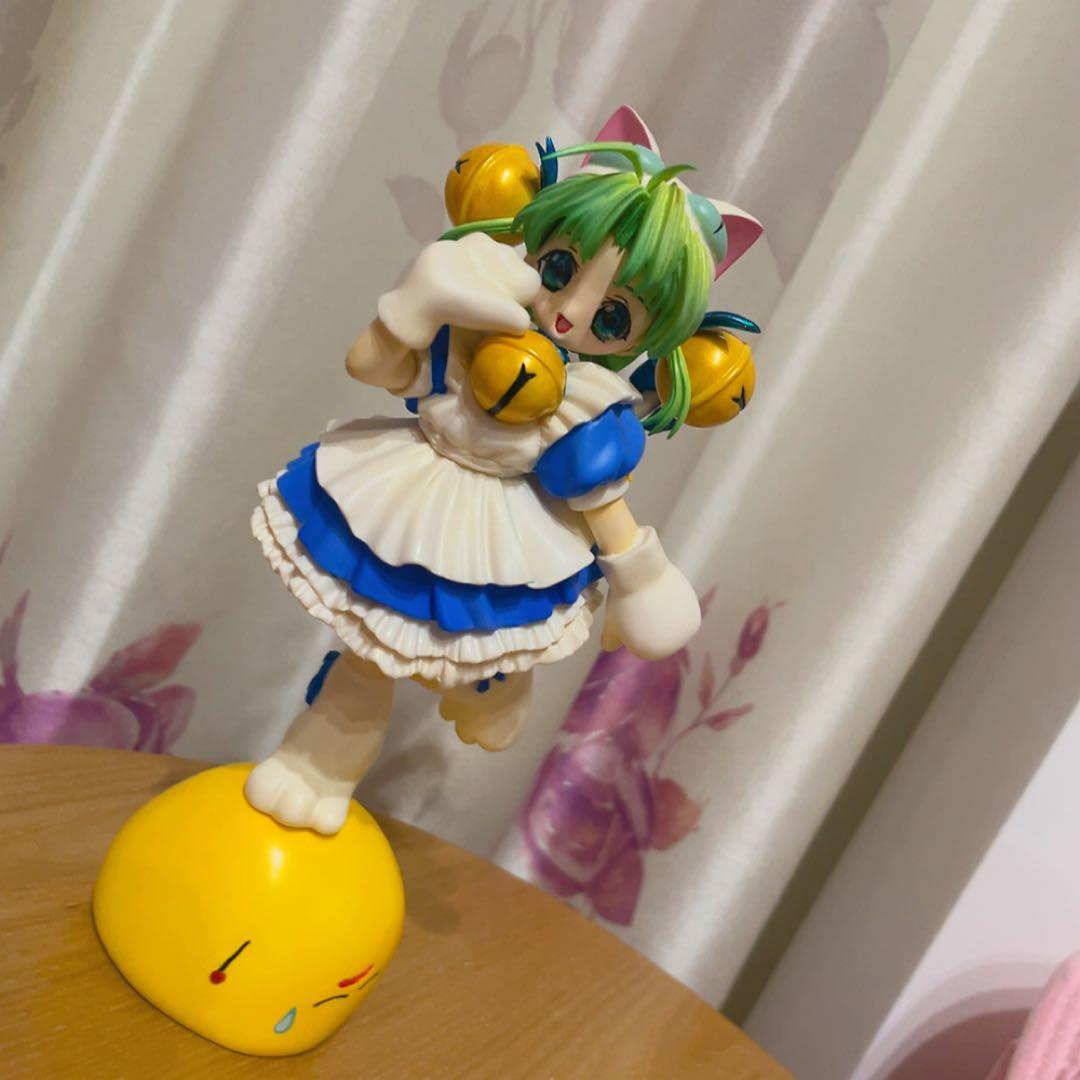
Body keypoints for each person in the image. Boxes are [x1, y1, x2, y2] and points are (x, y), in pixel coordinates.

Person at [246, 107, 762, 834]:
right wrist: (415, 302)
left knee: (482, 627)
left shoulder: (589, 405)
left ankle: (494, 678)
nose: (570, 312)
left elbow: (597, 501)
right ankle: (320, 763)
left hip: (506, 530)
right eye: (561, 269)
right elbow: (372, 365)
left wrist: (642, 578)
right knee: (370, 650)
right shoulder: (473, 320)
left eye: (613, 318)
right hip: (410, 487)